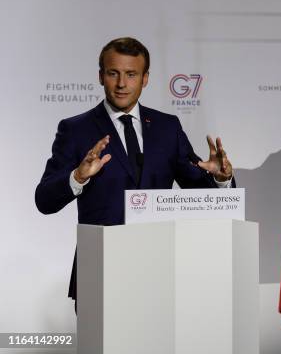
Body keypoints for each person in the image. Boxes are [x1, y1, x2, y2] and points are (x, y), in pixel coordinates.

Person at [35, 37, 235, 308]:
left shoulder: (168, 127)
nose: (121, 84)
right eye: (113, 73)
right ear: (100, 76)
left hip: (162, 268)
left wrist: (220, 180)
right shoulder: (76, 129)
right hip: (100, 270)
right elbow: (44, 200)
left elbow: (200, 192)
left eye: (131, 74)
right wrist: (78, 177)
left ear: (145, 78)